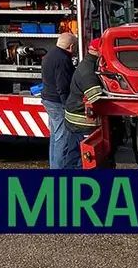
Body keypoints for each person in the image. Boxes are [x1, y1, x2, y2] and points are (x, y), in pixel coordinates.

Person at [60, 38, 104, 169]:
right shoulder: (88, 72)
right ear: (98, 50)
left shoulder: (88, 65)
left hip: (75, 120)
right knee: (81, 158)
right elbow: (96, 98)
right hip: (81, 123)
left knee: (74, 153)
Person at [39, 32, 76, 169]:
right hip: (57, 102)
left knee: (55, 137)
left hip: (48, 99)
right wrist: (68, 106)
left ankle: (54, 167)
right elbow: (63, 86)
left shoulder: (50, 55)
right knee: (62, 139)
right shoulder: (62, 59)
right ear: (71, 46)